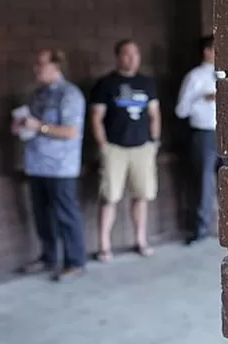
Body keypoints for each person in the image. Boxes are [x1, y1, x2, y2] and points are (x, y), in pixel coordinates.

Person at [13, 49, 88, 280]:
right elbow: (32, 124)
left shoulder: (70, 95)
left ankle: (75, 261)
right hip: (36, 163)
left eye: (41, 64)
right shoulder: (37, 94)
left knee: (66, 215)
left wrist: (39, 127)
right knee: (42, 215)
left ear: (56, 67)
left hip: (60, 167)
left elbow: (71, 131)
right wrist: (21, 127)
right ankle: (48, 257)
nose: (36, 68)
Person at [90, 39, 161, 262]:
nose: (132, 58)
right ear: (118, 57)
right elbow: (96, 118)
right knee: (110, 196)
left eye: (135, 54)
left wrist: (155, 142)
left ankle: (140, 240)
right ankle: (104, 245)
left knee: (142, 195)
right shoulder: (105, 84)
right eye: (127, 54)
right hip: (115, 149)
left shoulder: (147, 83)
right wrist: (103, 146)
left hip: (142, 148)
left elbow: (155, 114)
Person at [175, 35, 219, 244]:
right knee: (203, 183)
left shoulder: (226, 75)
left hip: (227, 134)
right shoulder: (195, 77)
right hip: (204, 134)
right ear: (207, 51)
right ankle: (201, 229)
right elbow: (181, 111)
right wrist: (202, 98)